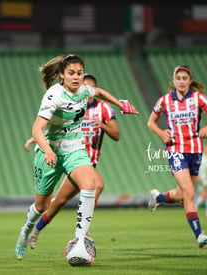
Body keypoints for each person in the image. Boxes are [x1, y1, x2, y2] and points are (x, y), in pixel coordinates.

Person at [15, 54, 139, 260]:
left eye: (79, 73)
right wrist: (47, 150)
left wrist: (121, 103)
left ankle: (80, 240)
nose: (76, 77)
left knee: (90, 184)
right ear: (62, 75)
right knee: (42, 206)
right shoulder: (54, 95)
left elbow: (98, 91)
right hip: (51, 151)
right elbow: (37, 129)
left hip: (75, 149)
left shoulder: (84, 90)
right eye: (71, 73)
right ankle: (26, 231)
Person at [24, 73, 120, 248]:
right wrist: (38, 138)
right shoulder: (70, 106)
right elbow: (51, 127)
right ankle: (76, 231)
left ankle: (43, 230)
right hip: (71, 159)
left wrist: (103, 125)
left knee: (66, 199)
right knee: (89, 188)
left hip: (84, 162)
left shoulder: (104, 108)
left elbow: (117, 135)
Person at [147, 65, 207, 248]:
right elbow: (151, 122)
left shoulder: (199, 98)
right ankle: (199, 235)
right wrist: (162, 134)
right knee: (189, 193)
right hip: (175, 149)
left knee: (181, 195)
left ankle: (158, 198)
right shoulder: (165, 100)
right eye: (178, 78)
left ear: (189, 80)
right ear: (173, 80)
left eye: (184, 78)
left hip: (195, 149)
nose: (181, 81)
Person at [195, 145, 207, 217]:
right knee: (203, 195)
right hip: (202, 178)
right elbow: (197, 167)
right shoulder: (201, 157)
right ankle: (195, 207)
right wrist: (197, 176)